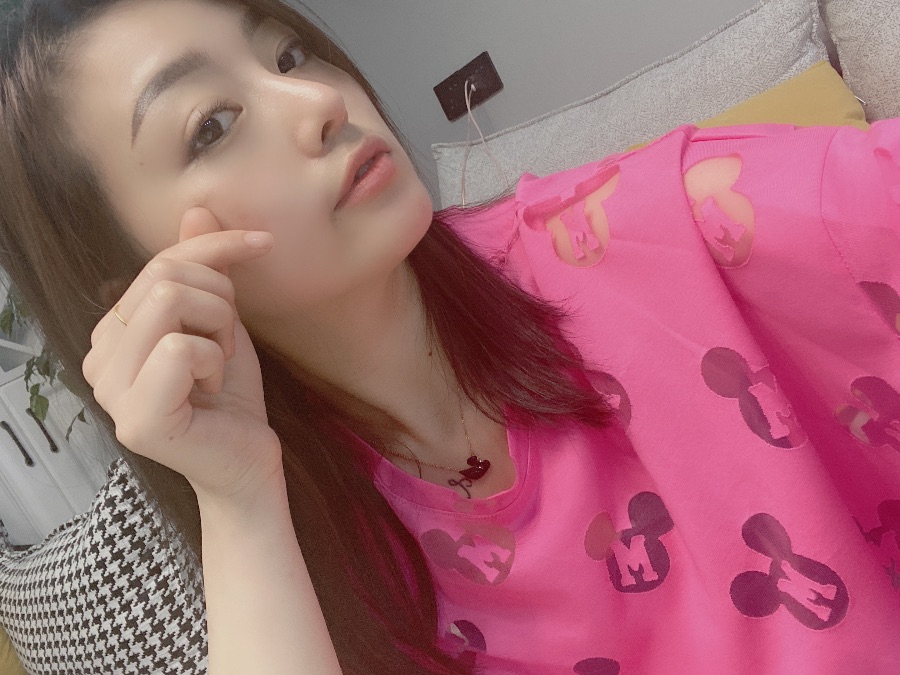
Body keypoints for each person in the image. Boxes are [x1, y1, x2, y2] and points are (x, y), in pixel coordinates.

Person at [0, 0, 898, 672]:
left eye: (287, 51)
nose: (315, 99)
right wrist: (238, 497)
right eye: (212, 126)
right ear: (137, 289)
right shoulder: (294, 546)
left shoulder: (667, 229)